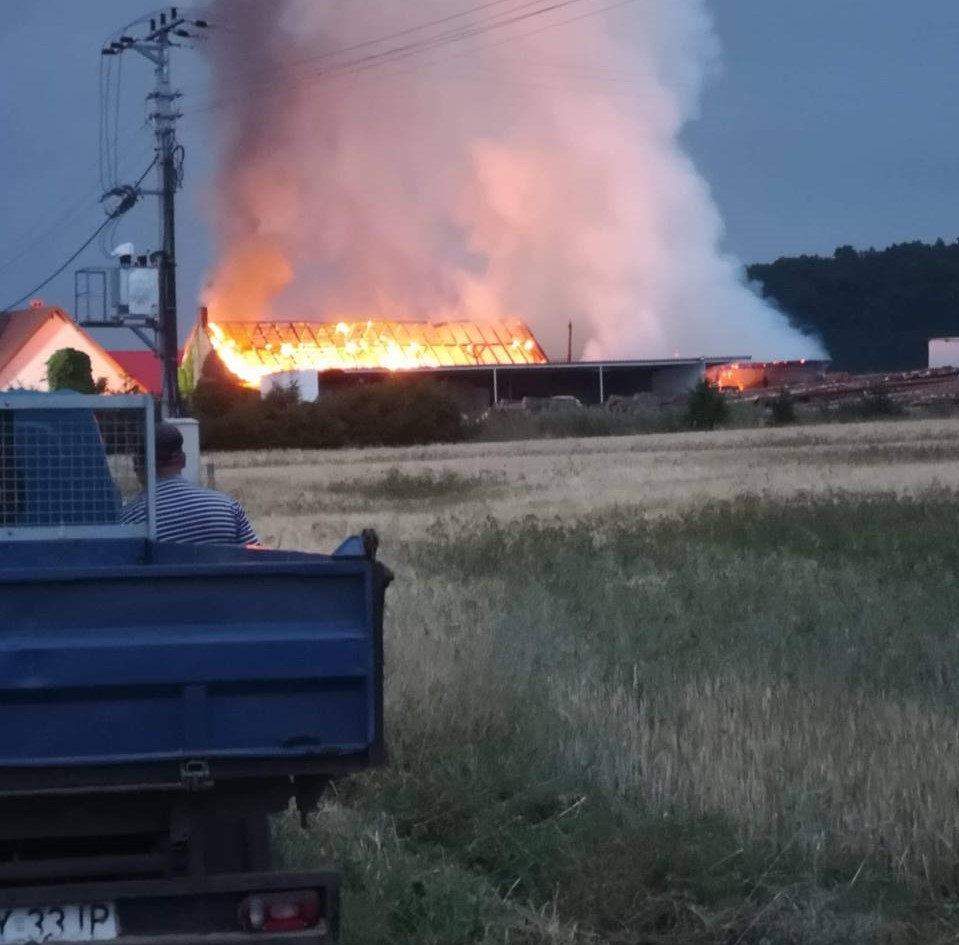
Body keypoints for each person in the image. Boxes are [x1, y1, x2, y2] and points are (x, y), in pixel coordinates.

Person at [122, 422, 258, 545]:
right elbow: (256, 558)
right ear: (183, 460)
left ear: (137, 464)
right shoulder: (228, 507)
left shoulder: (130, 518)